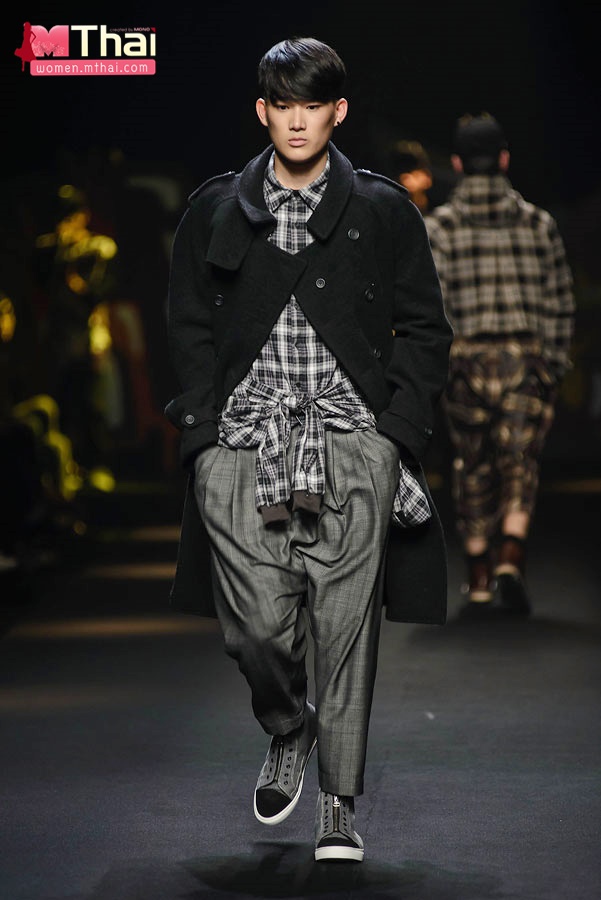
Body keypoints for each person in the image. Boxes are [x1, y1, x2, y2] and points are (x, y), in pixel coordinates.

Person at [165, 37, 452, 863]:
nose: (297, 122)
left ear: (337, 111)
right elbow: (186, 321)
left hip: (350, 440)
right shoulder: (215, 208)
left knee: (344, 626)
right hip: (241, 443)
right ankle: (288, 724)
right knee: (255, 628)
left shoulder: (382, 209)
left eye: (313, 105)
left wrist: (392, 434)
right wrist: (201, 439)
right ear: (262, 111)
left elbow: (424, 327)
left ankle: (337, 803)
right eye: (283, 105)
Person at [425, 113, 575, 615]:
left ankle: (479, 575)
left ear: (457, 164)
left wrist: (437, 370)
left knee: (471, 463)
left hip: (464, 358)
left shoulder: (438, 227)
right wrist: (552, 366)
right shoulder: (538, 224)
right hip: (524, 357)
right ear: (505, 159)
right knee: (520, 461)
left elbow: (430, 308)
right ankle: (511, 552)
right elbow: (560, 301)